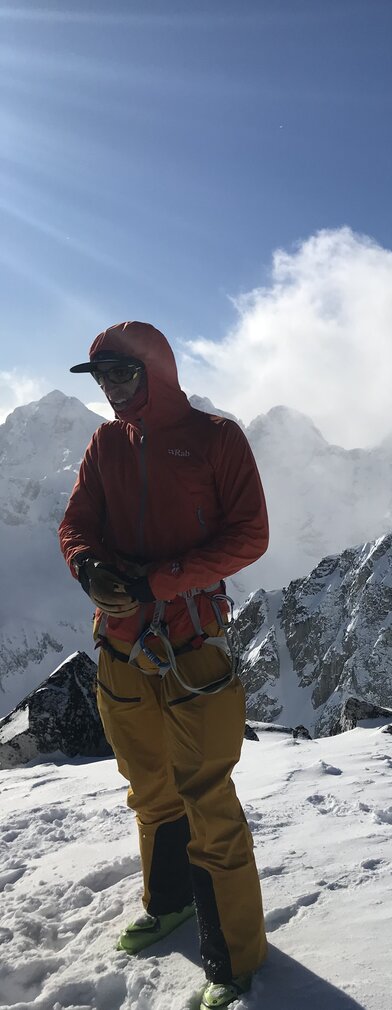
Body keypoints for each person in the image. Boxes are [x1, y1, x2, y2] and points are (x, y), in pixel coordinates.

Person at [58, 321, 270, 1009]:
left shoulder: (216, 438)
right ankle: (170, 902)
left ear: (157, 370)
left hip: (190, 647)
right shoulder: (104, 444)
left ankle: (234, 958)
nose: (112, 390)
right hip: (121, 644)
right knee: (149, 784)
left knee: (207, 796)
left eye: (122, 374)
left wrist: (163, 581)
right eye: (101, 378)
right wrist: (86, 566)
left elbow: (251, 535)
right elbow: (77, 522)